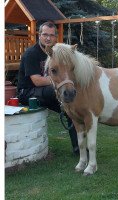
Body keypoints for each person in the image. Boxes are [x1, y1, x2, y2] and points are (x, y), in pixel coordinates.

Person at [17, 21, 79, 155]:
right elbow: (37, 81)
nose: (48, 38)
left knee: (71, 107)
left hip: (45, 90)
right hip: (27, 92)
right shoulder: (31, 54)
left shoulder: (55, 52)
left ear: (56, 37)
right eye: (45, 34)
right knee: (61, 94)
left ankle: (78, 148)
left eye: (52, 35)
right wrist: (61, 82)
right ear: (39, 35)